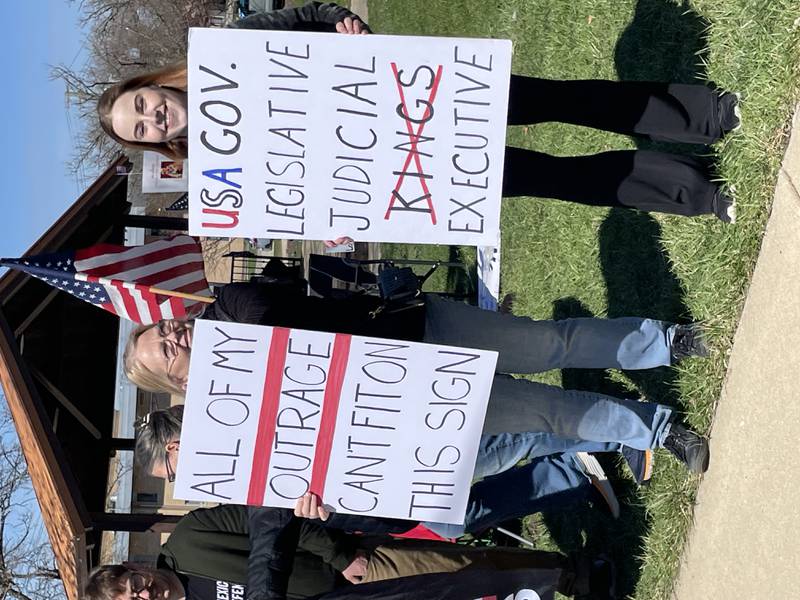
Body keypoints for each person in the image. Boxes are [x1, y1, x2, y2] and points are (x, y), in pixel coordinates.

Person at [97, 2, 740, 222]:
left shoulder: (231, 49)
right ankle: (699, 194)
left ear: (151, 85)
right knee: (557, 179)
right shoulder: (222, 180)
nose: (153, 119)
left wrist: (344, 24)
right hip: (426, 173)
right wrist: (337, 224)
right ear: (153, 146)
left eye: (143, 105)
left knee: (565, 100)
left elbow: (315, 14)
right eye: (141, 130)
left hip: (428, 93)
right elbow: (307, 198)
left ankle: (706, 115)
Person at [84, 542, 616, 600]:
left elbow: (266, 515)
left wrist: (343, 556)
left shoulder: (192, 539)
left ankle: (571, 573)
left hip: (353, 570)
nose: (143, 595)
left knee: (461, 567)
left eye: (133, 584)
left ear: (134, 567)